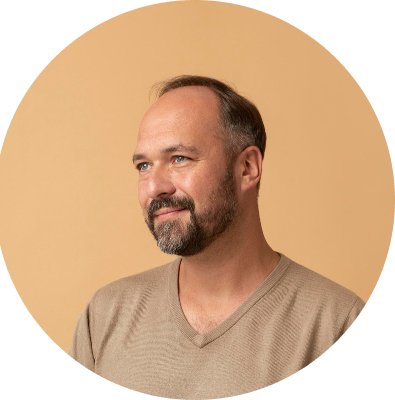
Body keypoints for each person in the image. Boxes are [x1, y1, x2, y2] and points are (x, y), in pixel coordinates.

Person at [69, 75, 365, 397]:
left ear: (247, 168)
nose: (154, 187)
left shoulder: (335, 323)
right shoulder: (104, 315)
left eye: (179, 159)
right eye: (143, 166)